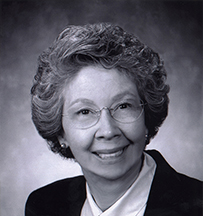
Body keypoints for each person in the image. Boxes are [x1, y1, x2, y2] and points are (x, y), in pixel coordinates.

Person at [25, 23, 202, 216]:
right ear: (60, 133)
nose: (108, 131)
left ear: (146, 117)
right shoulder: (44, 206)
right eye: (85, 112)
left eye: (123, 106)